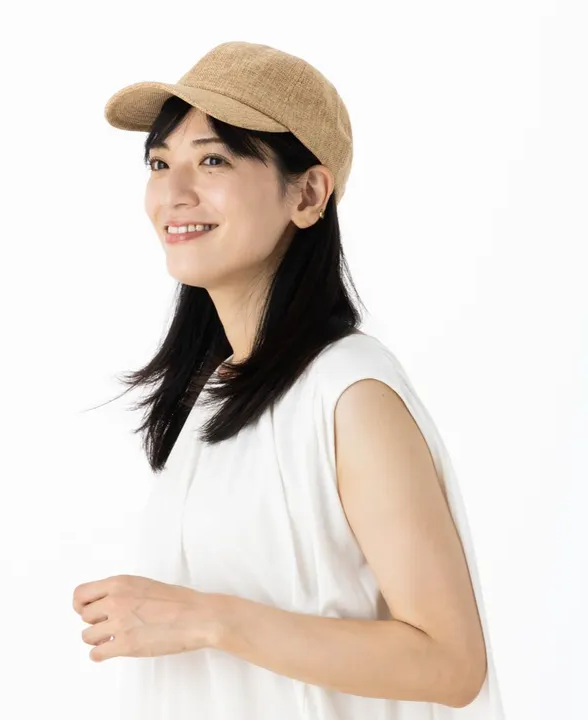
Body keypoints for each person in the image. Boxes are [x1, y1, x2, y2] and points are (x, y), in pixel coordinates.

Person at [72, 41, 506, 719]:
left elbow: (451, 663)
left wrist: (207, 619)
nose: (173, 193)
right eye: (160, 163)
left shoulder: (351, 394)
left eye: (213, 160)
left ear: (307, 194)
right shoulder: (215, 391)